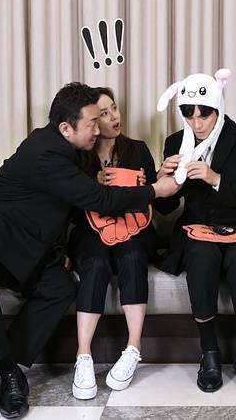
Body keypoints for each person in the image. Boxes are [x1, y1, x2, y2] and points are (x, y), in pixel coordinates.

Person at [0, 82, 179, 418]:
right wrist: (155, 190)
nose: (98, 129)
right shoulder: (45, 152)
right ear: (66, 128)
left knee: (60, 288)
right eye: (92, 123)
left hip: (21, 245)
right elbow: (99, 200)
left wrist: (58, 249)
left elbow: (53, 209)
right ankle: (9, 374)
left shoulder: (77, 151)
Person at [155, 69, 236, 393]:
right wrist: (162, 180)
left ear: (218, 108)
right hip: (197, 231)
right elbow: (165, 208)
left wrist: (215, 178)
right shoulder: (175, 142)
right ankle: (209, 353)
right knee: (201, 256)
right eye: (188, 114)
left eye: (204, 114)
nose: (196, 123)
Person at [69, 87, 163, 399]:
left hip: (134, 228)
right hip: (91, 231)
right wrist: (91, 187)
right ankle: (83, 355)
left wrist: (155, 183)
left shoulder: (138, 149)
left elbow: (161, 204)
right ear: (91, 122)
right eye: (103, 114)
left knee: (133, 256)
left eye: (114, 109)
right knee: (95, 263)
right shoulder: (78, 156)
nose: (113, 117)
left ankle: (133, 348)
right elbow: (67, 208)